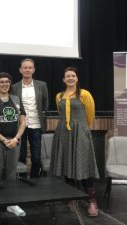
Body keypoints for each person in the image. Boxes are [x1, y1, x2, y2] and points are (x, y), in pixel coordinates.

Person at [50, 66, 99, 217]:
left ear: (77, 78)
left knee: (83, 166)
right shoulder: (59, 96)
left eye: (73, 76)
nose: (70, 78)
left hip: (80, 133)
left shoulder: (85, 94)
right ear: (63, 80)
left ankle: (92, 201)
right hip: (64, 133)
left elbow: (90, 115)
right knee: (68, 165)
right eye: (67, 76)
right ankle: (71, 198)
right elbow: (61, 114)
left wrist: (81, 129)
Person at [0, 72, 26, 222]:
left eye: (7, 82)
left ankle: (11, 204)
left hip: (14, 142)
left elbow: (23, 122)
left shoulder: (16, 99)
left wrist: (16, 138)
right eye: (1, 82)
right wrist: (3, 139)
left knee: (11, 174)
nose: (5, 84)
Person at [12, 58, 49, 178]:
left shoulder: (42, 85)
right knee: (20, 156)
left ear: (33, 70)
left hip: (36, 124)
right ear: (20, 70)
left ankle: (35, 181)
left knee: (36, 157)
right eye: (25, 68)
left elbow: (45, 103)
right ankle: (22, 182)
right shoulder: (14, 87)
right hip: (20, 126)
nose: (27, 70)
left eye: (30, 67)